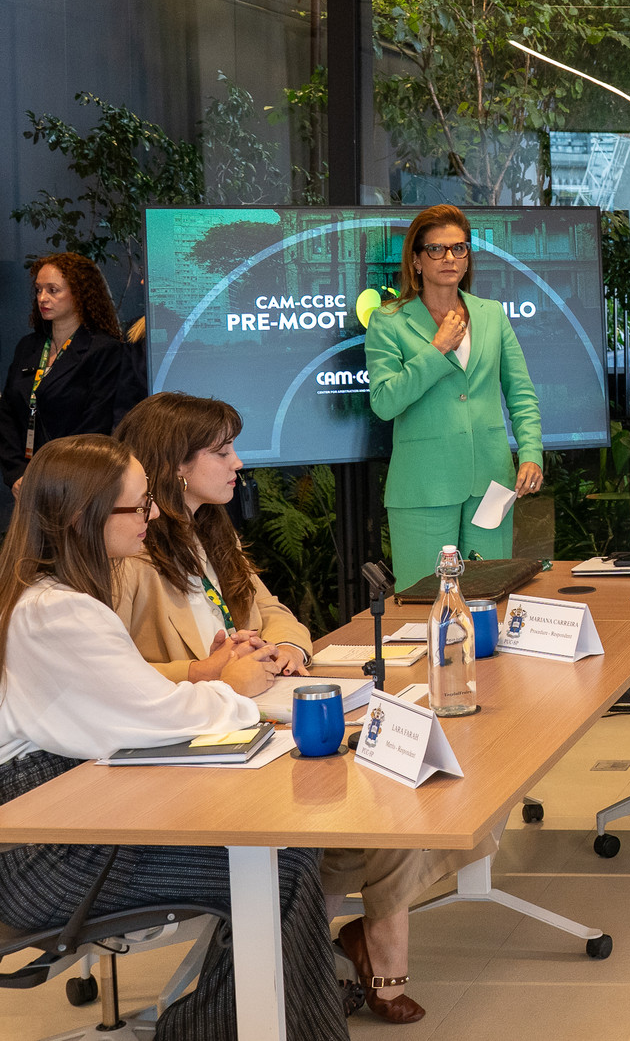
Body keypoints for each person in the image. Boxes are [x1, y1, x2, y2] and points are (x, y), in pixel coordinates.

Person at [111, 391, 491, 1024]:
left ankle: (334, 948)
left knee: (411, 775)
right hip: (205, 750)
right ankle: (352, 952)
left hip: (267, 719)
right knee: (386, 790)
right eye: (222, 452)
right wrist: (211, 672)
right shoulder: (132, 559)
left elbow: (277, 613)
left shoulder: (212, 534)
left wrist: (288, 649)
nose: (238, 464)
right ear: (176, 466)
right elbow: (115, 679)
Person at [0, 434, 347, 1041]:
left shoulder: (55, 598)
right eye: (139, 505)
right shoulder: (57, 612)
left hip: (63, 820)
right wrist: (235, 688)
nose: (155, 513)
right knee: (280, 861)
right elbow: (159, 716)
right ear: (83, 515)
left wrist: (211, 675)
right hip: (40, 855)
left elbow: (132, 703)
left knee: (277, 851)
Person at [366, 205, 545, 591]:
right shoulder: (389, 320)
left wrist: (531, 453)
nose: (449, 257)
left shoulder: (491, 314)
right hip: (423, 488)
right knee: (425, 602)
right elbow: (384, 401)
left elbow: (521, 392)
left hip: (490, 484)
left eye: (458, 248)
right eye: (436, 249)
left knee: (490, 596)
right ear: (416, 260)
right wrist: (437, 349)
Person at [0, 252, 144, 500]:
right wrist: (16, 474)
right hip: (25, 481)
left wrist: (54, 476)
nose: (42, 298)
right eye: (38, 290)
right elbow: (7, 413)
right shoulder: (28, 347)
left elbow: (96, 424)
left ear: (79, 294)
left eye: (53, 290)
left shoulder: (103, 350)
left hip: (74, 482)